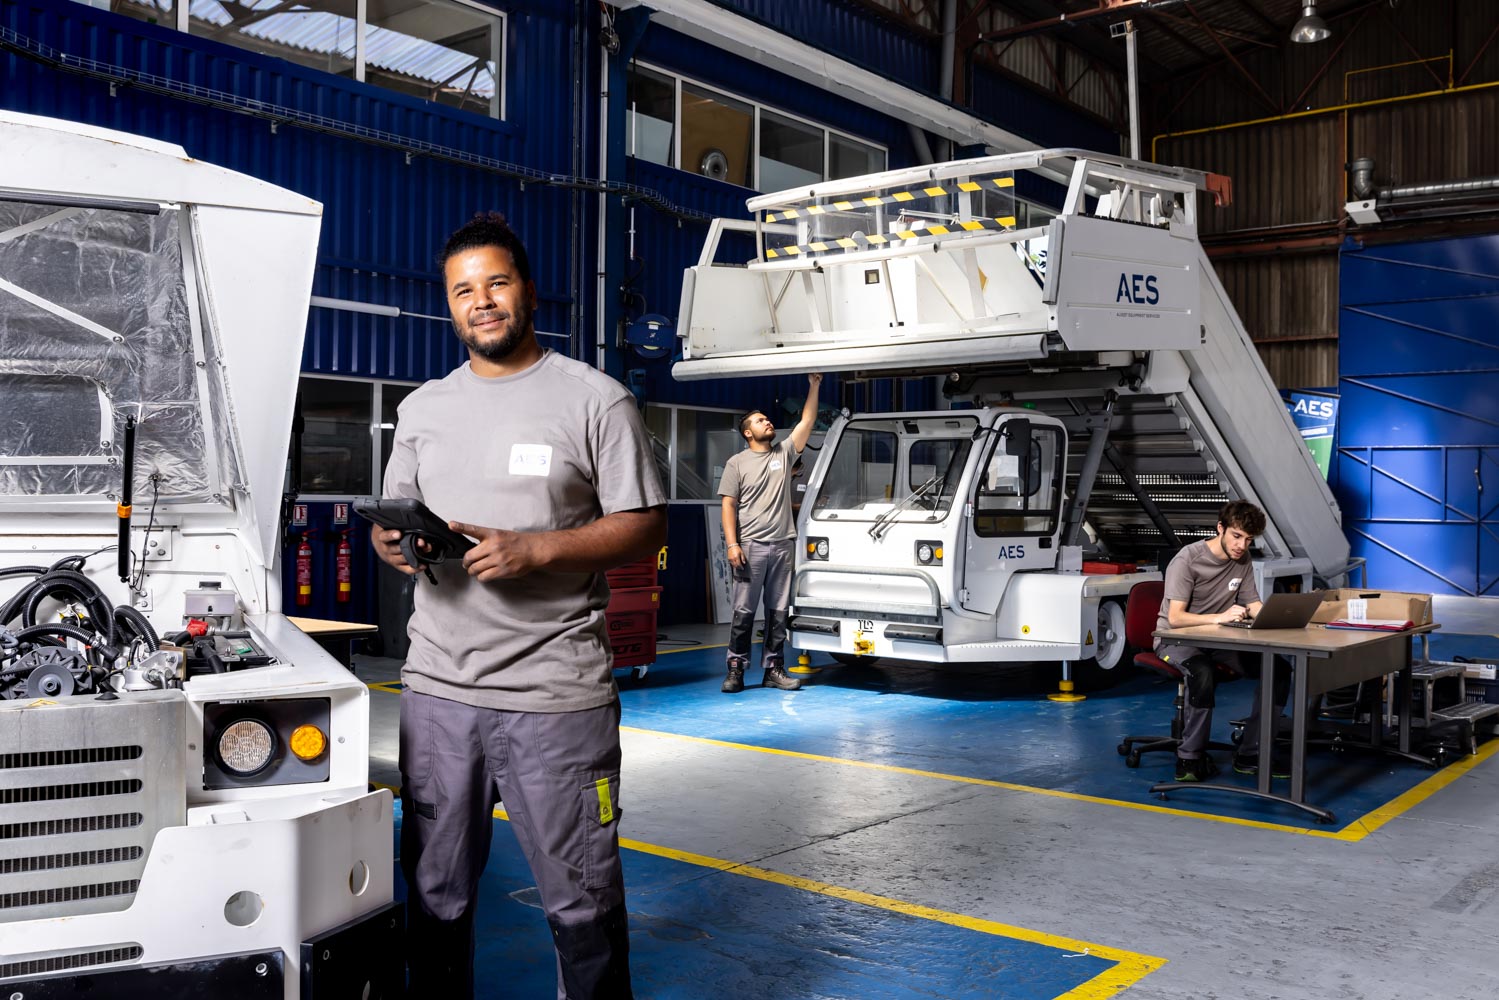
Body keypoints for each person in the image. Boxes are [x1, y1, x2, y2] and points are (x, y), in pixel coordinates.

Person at [372, 211, 666, 999]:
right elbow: (397, 516)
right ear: (449, 305)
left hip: (553, 698)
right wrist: (395, 546)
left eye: (496, 283)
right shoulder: (423, 408)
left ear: (527, 291)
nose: (482, 301)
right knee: (434, 894)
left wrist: (537, 549)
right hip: (438, 693)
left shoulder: (594, 400)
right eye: (463, 290)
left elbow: (644, 523)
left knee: (581, 897)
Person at [1154, 500, 1292, 782]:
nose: (1242, 546)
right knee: (1202, 671)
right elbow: (1176, 618)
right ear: (1221, 529)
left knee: (1278, 670)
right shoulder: (1187, 559)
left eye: (1249, 540)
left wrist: (1274, 619)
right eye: (1237, 536)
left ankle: (1251, 753)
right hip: (1175, 640)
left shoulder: (1242, 560)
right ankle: (1189, 758)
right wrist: (1220, 616)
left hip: (1219, 640)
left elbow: (1251, 601)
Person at [717, 374, 823, 693]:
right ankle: (736, 670)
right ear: (748, 432)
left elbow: (807, 419)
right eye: (761, 420)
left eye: (768, 419)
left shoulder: (784, 454)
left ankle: (773, 669)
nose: (768, 422)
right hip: (750, 547)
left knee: (778, 613)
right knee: (743, 613)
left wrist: (814, 385)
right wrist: (733, 544)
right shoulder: (736, 463)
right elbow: (728, 506)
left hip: (783, 547)